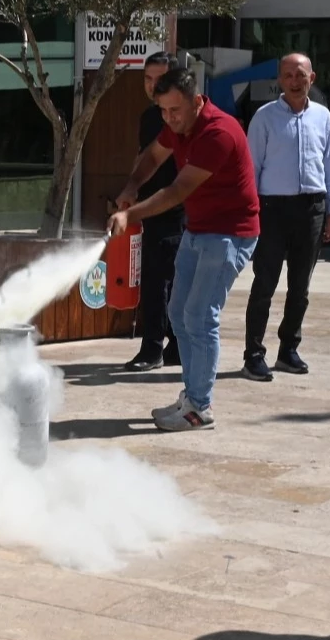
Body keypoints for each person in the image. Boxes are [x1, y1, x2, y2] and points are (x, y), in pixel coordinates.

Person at [109, 68, 259, 432]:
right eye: (162, 111)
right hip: (199, 230)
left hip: (229, 235)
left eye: (174, 110)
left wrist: (130, 214)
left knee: (200, 316)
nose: (169, 118)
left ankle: (200, 408)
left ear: (196, 101)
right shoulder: (178, 126)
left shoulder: (218, 133)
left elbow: (177, 191)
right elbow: (153, 156)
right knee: (178, 312)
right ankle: (192, 396)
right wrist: (132, 185)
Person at [241, 53, 330, 381]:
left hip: (311, 209)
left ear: (312, 78)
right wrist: (250, 214)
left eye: (300, 75)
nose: (294, 81)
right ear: (279, 81)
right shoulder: (264, 118)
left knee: (301, 287)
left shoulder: (323, 117)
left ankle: (288, 350)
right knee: (264, 284)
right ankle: (254, 353)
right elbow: (251, 168)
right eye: (288, 76)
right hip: (272, 210)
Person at [122, 52, 185, 371]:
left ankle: (156, 348)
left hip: (178, 206)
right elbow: (145, 158)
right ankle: (163, 345)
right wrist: (131, 190)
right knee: (157, 278)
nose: (152, 85)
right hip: (151, 206)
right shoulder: (149, 117)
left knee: (169, 280)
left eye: (159, 79)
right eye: (147, 79)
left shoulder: (184, 117)